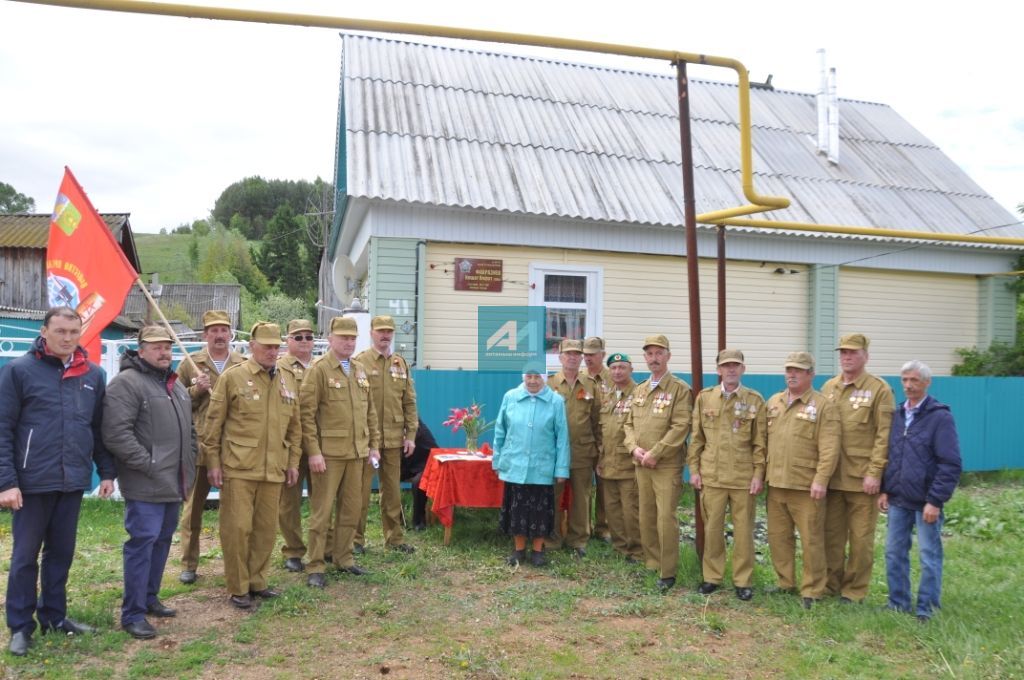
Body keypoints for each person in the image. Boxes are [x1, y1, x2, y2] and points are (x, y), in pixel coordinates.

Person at [0, 306, 115, 656]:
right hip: (31, 482)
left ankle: (54, 616)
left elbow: (96, 428)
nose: (67, 338)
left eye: (73, 331)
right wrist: (7, 482)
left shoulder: (93, 375)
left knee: (61, 554)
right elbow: (3, 429)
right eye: (60, 331)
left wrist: (106, 471)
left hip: (72, 479)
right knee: (24, 557)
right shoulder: (18, 372)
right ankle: (20, 626)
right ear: (44, 331)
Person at [102, 326, 197, 640]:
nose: (164, 353)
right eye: (156, 347)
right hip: (145, 483)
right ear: (140, 350)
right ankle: (132, 613)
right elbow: (116, 434)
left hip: (173, 481)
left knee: (162, 541)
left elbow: (190, 432)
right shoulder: (126, 384)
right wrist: (149, 464)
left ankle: (149, 597)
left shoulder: (175, 385)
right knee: (142, 544)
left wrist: (190, 462)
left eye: (167, 347)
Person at [203, 322, 301, 609]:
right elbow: (213, 424)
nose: (272, 351)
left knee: (265, 530)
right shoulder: (234, 378)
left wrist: (293, 462)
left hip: (274, 468)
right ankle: (238, 586)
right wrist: (213, 463)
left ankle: (258, 581)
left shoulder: (287, 378)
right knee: (237, 528)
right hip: (239, 467)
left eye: (276, 346)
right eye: (267, 346)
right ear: (251, 347)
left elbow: (294, 428)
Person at [301, 316, 381, 588]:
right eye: (343, 337)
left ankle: (344, 558)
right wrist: (313, 451)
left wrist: (373, 446)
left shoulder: (359, 369)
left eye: (352, 338)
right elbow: (306, 414)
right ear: (331, 338)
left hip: (358, 453)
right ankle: (315, 564)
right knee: (322, 511)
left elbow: (369, 411)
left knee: (351, 509)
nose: (348, 342)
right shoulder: (319, 369)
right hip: (329, 454)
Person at [879, 360, 961, 622]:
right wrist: (884, 489)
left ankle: (927, 608)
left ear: (927, 383)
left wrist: (935, 500)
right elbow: (889, 455)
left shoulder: (940, 417)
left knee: (928, 555)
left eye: (914, 380)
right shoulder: (897, 415)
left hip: (925, 502)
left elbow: (950, 463)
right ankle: (898, 602)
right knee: (893, 552)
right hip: (898, 499)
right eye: (904, 380)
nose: (908, 385)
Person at [688, 349, 767, 601]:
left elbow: (760, 443)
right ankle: (712, 576)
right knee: (713, 529)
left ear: (743, 369)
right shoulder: (705, 398)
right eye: (726, 366)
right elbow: (697, 438)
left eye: (736, 365)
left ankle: (743, 581)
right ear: (719, 370)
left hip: (743, 478)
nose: (731, 369)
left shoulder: (754, 400)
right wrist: (694, 470)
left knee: (744, 532)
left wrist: (758, 474)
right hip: (712, 476)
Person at [821, 334, 895, 603]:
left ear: (865, 356)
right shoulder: (829, 387)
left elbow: (884, 436)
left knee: (861, 540)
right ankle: (830, 585)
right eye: (843, 353)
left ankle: (854, 591)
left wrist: (876, 473)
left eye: (852, 352)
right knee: (831, 537)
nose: (847, 357)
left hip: (862, 480)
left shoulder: (879, 390)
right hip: (832, 478)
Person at [764, 351, 840, 608]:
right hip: (775, 482)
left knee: (811, 539)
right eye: (788, 370)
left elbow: (829, 446)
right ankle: (785, 582)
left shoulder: (822, 406)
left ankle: (812, 589)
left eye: (798, 370)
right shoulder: (774, 401)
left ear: (811, 375)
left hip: (806, 485)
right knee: (778, 536)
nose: (791, 374)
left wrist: (821, 479)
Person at [177, 310, 245, 585]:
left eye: (224, 330)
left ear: (231, 334)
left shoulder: (242, 364)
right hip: (201, 446)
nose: (219, 335)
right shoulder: (191, 364)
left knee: (235, 512)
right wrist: (195, 390)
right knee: (193, 509)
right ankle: (189, 563)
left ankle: (236, 564)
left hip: (235, 447)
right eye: (213, 331)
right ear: (205, 335)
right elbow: (176, 403)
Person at [623, 335, 692, 592]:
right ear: (645, 358)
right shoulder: (639, 389)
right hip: (641, 463)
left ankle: (668, 570)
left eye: (659, 353)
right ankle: (651, 562)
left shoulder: (679, 389)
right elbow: (628, 423)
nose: (654, 358)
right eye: (650, 354)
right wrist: (634, 449)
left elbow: (681, 426)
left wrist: (656, 453)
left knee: (665, 518)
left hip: (665, 466)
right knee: (646, 515)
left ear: (668, 356)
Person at [493, 364, 570, 567]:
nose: (533, 381)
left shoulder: (556, 401)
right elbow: (500, 430)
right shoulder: (511, 397)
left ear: (544, 378)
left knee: (541, 511)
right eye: (529, 376)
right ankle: (518, 550)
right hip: (515, 464)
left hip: (542, 466)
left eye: (537, 377)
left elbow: (562, 437)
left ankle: (538, 551)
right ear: (523, 377)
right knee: (517, 509)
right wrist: (497, 459)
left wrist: (561, 468)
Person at [355, 315, 418, 554]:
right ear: (371, 333)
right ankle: (356, 541)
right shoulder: (359, 362)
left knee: (392, 491)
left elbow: (410, 402)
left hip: (393, 439)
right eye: (380, 331)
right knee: (360, 492)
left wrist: (410, 434)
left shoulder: (400, 364)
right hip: (367, 440)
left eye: (389, 331)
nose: (385, 335)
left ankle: (394, 539)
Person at [546, 339, 602, 557]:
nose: (572, 357)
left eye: (576, 354)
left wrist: (600, 449)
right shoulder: (549, 384)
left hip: (582, 450)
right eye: (567, 353)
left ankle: (578, 540)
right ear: (560, 357)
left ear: (581, 358)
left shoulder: (591, 384)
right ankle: (552, 537)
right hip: (554, 452)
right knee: (552, 495)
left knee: (581, 497)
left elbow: (597, 419)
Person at [277, 319, 317, 573]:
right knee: (289, 502)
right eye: (298, 337)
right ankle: (292, 551)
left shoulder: (321, 366)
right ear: (287, 341)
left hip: (318, 445)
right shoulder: (279, 367)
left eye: (308, 337)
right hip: (290, 445)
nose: (304, 341)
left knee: (321, 500)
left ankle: (323, 548)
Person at [597, 352, 642, 562]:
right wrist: (599, 459)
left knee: (631, 510)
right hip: (607, 463)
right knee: (612, 510)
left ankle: (636, 550)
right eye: (613, 368)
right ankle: (619, 547)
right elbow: (603, 431)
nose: (617, 372)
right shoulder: (608, 396)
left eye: (621, 367)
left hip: (628, 464)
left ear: (630, 369)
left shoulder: (640, 394)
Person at [583, 336, 612, 542]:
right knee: (584, 486)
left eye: (592, 354)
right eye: (585, 354)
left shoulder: (614, 376)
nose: (588, 358)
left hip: (607, 439)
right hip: (585, 439)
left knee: (605, 485)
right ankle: (585, 526)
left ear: (602, 354)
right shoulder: (580, 377)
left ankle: (604, 528)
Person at [402, 420, 439, 531]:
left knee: (418, 482)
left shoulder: (414, 423)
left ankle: (419, 521)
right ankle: (396, 518)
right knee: (389, 478)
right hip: (409, 463)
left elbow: (407, 438)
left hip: (427, 462)